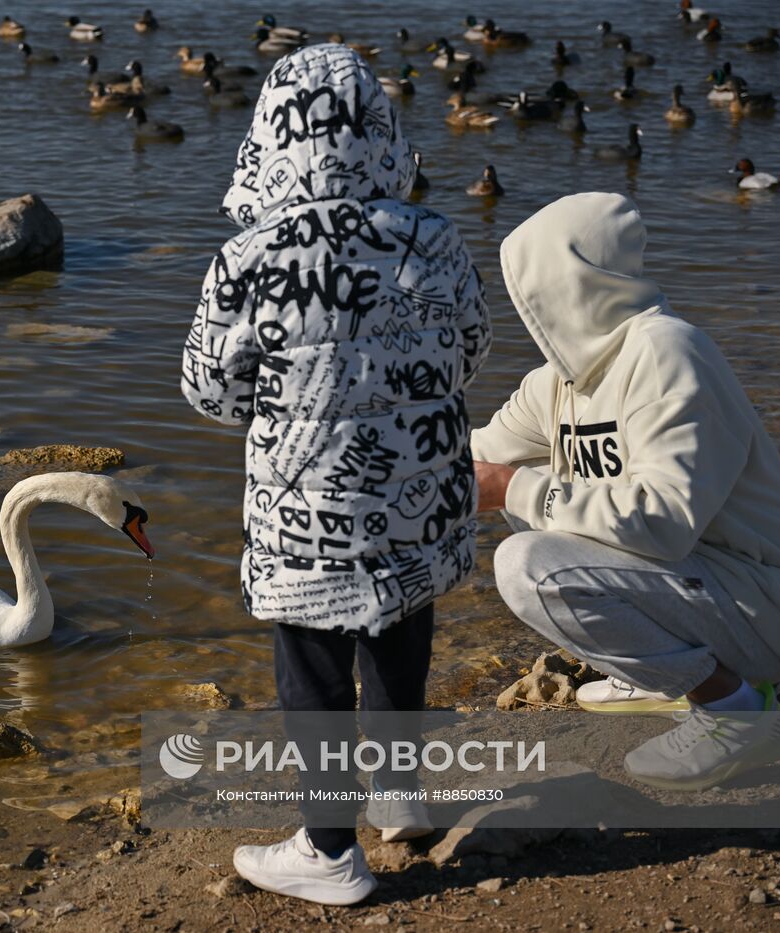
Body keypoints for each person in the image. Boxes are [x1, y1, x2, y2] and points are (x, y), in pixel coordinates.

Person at [181, 43, 491, 905]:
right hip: (418, 489)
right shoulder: (432, 235)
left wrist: (286, 400)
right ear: (380, 131)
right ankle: (399, 794)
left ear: (269, 137)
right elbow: (471, 348)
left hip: (305, 499)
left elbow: (207, 388)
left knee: (311, 666)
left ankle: (328, 851)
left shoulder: (247, 260)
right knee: (401, 629)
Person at [473, 192, 780, 789]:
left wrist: (512, 487)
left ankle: (737, 711)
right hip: (702, 583)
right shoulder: (556, 384)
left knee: (528, 560)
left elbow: (662, 523)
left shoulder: (668, 353)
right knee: (529, 508)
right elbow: (477, 456)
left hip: (769, 607)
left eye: (533, 288)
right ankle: (656, 670)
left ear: (573, 279)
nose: (527, 308)